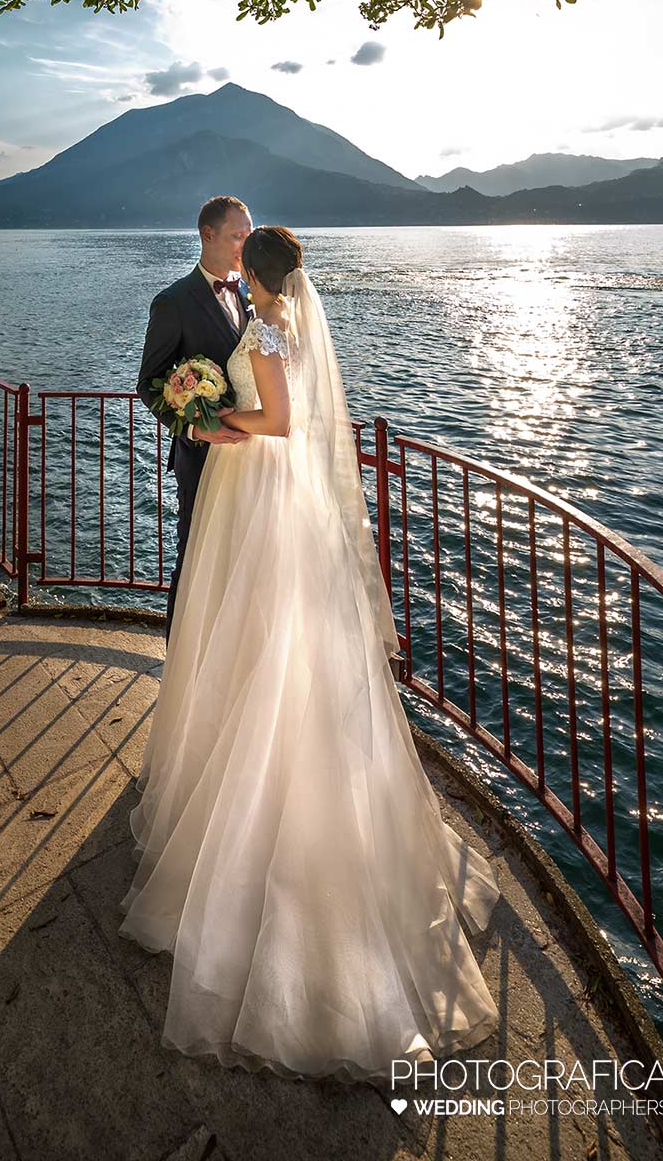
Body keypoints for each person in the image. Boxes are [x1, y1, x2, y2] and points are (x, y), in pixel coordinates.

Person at [120, 225, 500, 1082]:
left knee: (260, 630)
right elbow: (259, 408)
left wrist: (218, 416)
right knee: (251, 627)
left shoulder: (269, 326)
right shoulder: (269, 317)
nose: (240, 252)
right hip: (250, 491)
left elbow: (281, 423)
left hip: (254, 480)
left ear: (252, 273)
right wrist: (198, 411)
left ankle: (250, 792)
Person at [136, 196, 253, 634]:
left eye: (248, 234)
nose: (245, 244)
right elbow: (148, 383)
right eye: (237, 235)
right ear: (208, 235)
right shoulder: (174, 302)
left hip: (249, 458)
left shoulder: (248, 292)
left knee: (240, 561)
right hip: (201, 459)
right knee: (195, 558)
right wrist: (199, 427)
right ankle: (180, 664)